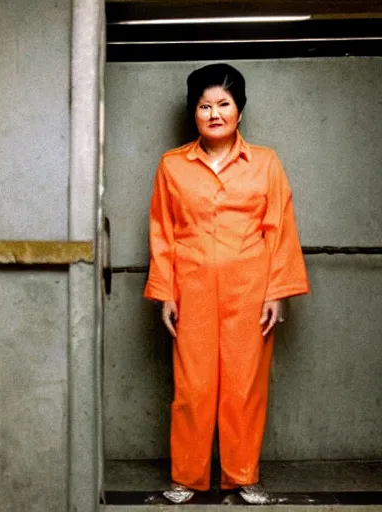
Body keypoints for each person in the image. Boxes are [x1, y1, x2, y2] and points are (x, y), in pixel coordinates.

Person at [143, 63, 310, 505]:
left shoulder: (266, 163)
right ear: (192, 112)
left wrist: (276, 291)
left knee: (244, 385)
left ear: (239, 111)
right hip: (192, 286)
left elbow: (280, 228)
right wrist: (165, 292)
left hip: (250, 289)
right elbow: (162, 231)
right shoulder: (172, 165)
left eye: (223, 104)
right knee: (192, 387)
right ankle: (188, 478)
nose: (214, 113)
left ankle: (243, 477)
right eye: (204, 106)